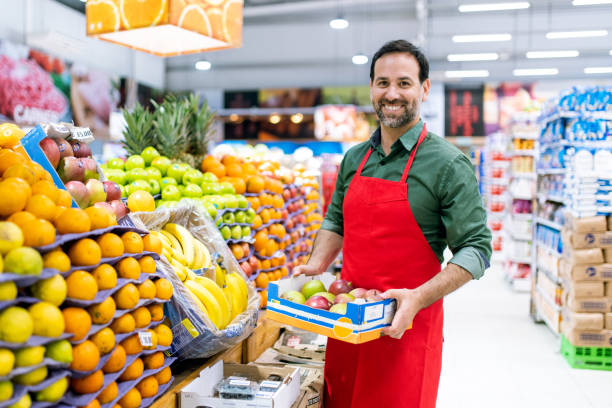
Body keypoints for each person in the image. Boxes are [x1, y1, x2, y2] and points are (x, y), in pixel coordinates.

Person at [293, 40, 492, 408]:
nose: (392, 93)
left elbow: (477, 248)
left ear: (424, 89)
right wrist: (317, 265)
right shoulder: (354, 158)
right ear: (371, 88)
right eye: (382, 83)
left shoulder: (448, 164)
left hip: (407, 329)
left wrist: (418, 297)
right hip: (347, 323)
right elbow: (336, 218)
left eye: (404, 83)